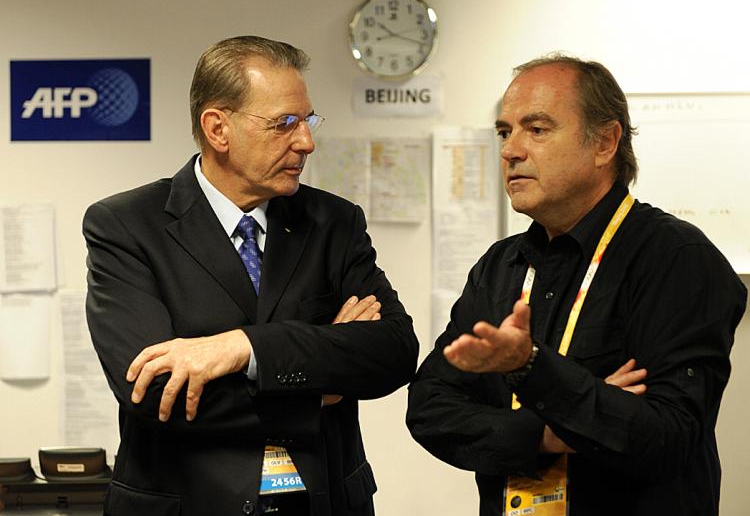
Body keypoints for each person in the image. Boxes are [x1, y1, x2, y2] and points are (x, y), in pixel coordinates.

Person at [83, 35, 418, 516]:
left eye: (307, 120)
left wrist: (241, 347)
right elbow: (155, 394)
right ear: (218, 128)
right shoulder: (126, 225)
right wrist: (317, 384)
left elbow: (393, 351)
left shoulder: (333, 223)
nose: (307, 141)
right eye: (284, 123)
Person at [406, 54, 747, 516]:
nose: (510, 151)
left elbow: (667, 439)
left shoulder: (677, 259)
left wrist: (530, 367)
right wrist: (547, 434)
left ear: (605, 142)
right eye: (505, 132)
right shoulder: (500, 265)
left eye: (538, 129)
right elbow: (430, 409)